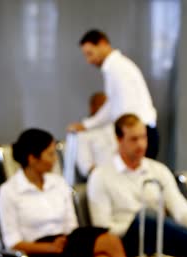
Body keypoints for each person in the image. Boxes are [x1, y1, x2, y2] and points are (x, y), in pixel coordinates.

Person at [0, 128, 128, 257]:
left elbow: (71, 225)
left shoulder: (58, 183)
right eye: (50, 154)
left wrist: (63, 242)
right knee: (110, 242)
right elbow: (12, 242)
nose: (55, 160)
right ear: (32, 159)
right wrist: (50, 247)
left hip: (64, 243)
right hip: (36, 251)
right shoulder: (9, 192)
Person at [87, 114, 187, 257]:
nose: (141, 144)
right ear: (118, 139)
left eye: (143, 137)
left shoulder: (158, 170)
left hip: (160, 238)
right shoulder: (101, 176)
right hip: (125, 241)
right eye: (134, 139)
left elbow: (181, 210)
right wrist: (137, 225)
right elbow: (102, 227)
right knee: (146, 218)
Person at [67, 29, 159, 159]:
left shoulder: (118, 68)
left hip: (136, 133)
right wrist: (87, 125)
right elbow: (112, 106)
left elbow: (125, 111)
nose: (89, 60)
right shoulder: (114, 68)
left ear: (103, 43)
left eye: (90, 54)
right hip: (136, 132)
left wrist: (120, 140)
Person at [76, 91, 118, 177]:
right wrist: (104, 177)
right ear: (92, 107)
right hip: (99, 179)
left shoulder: (115, 127)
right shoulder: (83, 133)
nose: (106, 111)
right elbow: (86, 167)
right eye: (103, 106)